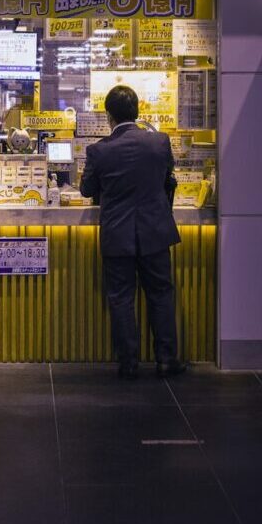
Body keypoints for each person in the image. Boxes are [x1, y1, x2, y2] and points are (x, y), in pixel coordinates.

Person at [80, 85, 186, 380]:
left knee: (121, 298)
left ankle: (129, 363)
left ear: (108, 116)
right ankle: (166, 359)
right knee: (161, 294)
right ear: (137, 111)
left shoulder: (99, 150)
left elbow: (87, 189)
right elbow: (167, 178)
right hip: (155, 230)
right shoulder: (159, 142)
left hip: (118, 234)